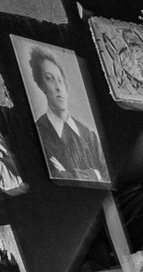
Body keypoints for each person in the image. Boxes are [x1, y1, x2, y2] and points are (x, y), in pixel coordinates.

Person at [31, 50, 108, 183]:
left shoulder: (88, 134)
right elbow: (55, 178)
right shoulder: (39, 132)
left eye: (60, 80)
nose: (58, 87)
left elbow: (106, 175)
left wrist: (69, 174)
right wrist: (95, 174)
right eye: (49, 78)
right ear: (41, 85)